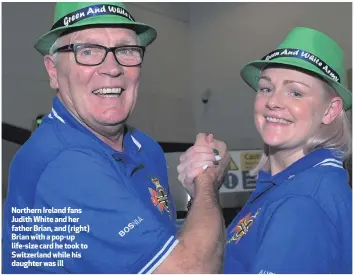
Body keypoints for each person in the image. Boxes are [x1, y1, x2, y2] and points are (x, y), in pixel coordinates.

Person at [2, 2, 231, 273]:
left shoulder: (145, 148)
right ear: (53, 70)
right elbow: (191, 270)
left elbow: (163, 241)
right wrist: (207, 184)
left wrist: (194, 196)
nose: (112, 68)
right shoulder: (64, 163)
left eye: (126, 50)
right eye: (87, 51)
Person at [178, 27, 352, 273]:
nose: (273, 102)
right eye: (266, 88)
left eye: (296, 92)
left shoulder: (302, 202)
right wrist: (203, 190)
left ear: (330, 111)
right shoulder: (289, 183)